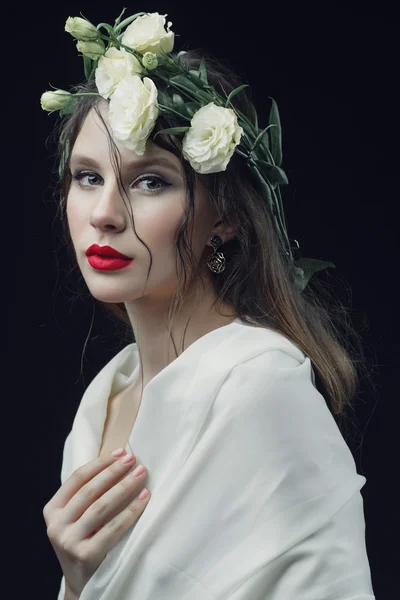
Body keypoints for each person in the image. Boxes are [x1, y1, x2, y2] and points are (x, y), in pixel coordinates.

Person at [41, 11, 376, 600]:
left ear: (221, 217)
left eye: (151, 182)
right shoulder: (104, 400)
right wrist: (78, 581)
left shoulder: (259, 389)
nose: (104, 214)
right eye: (87, 177)